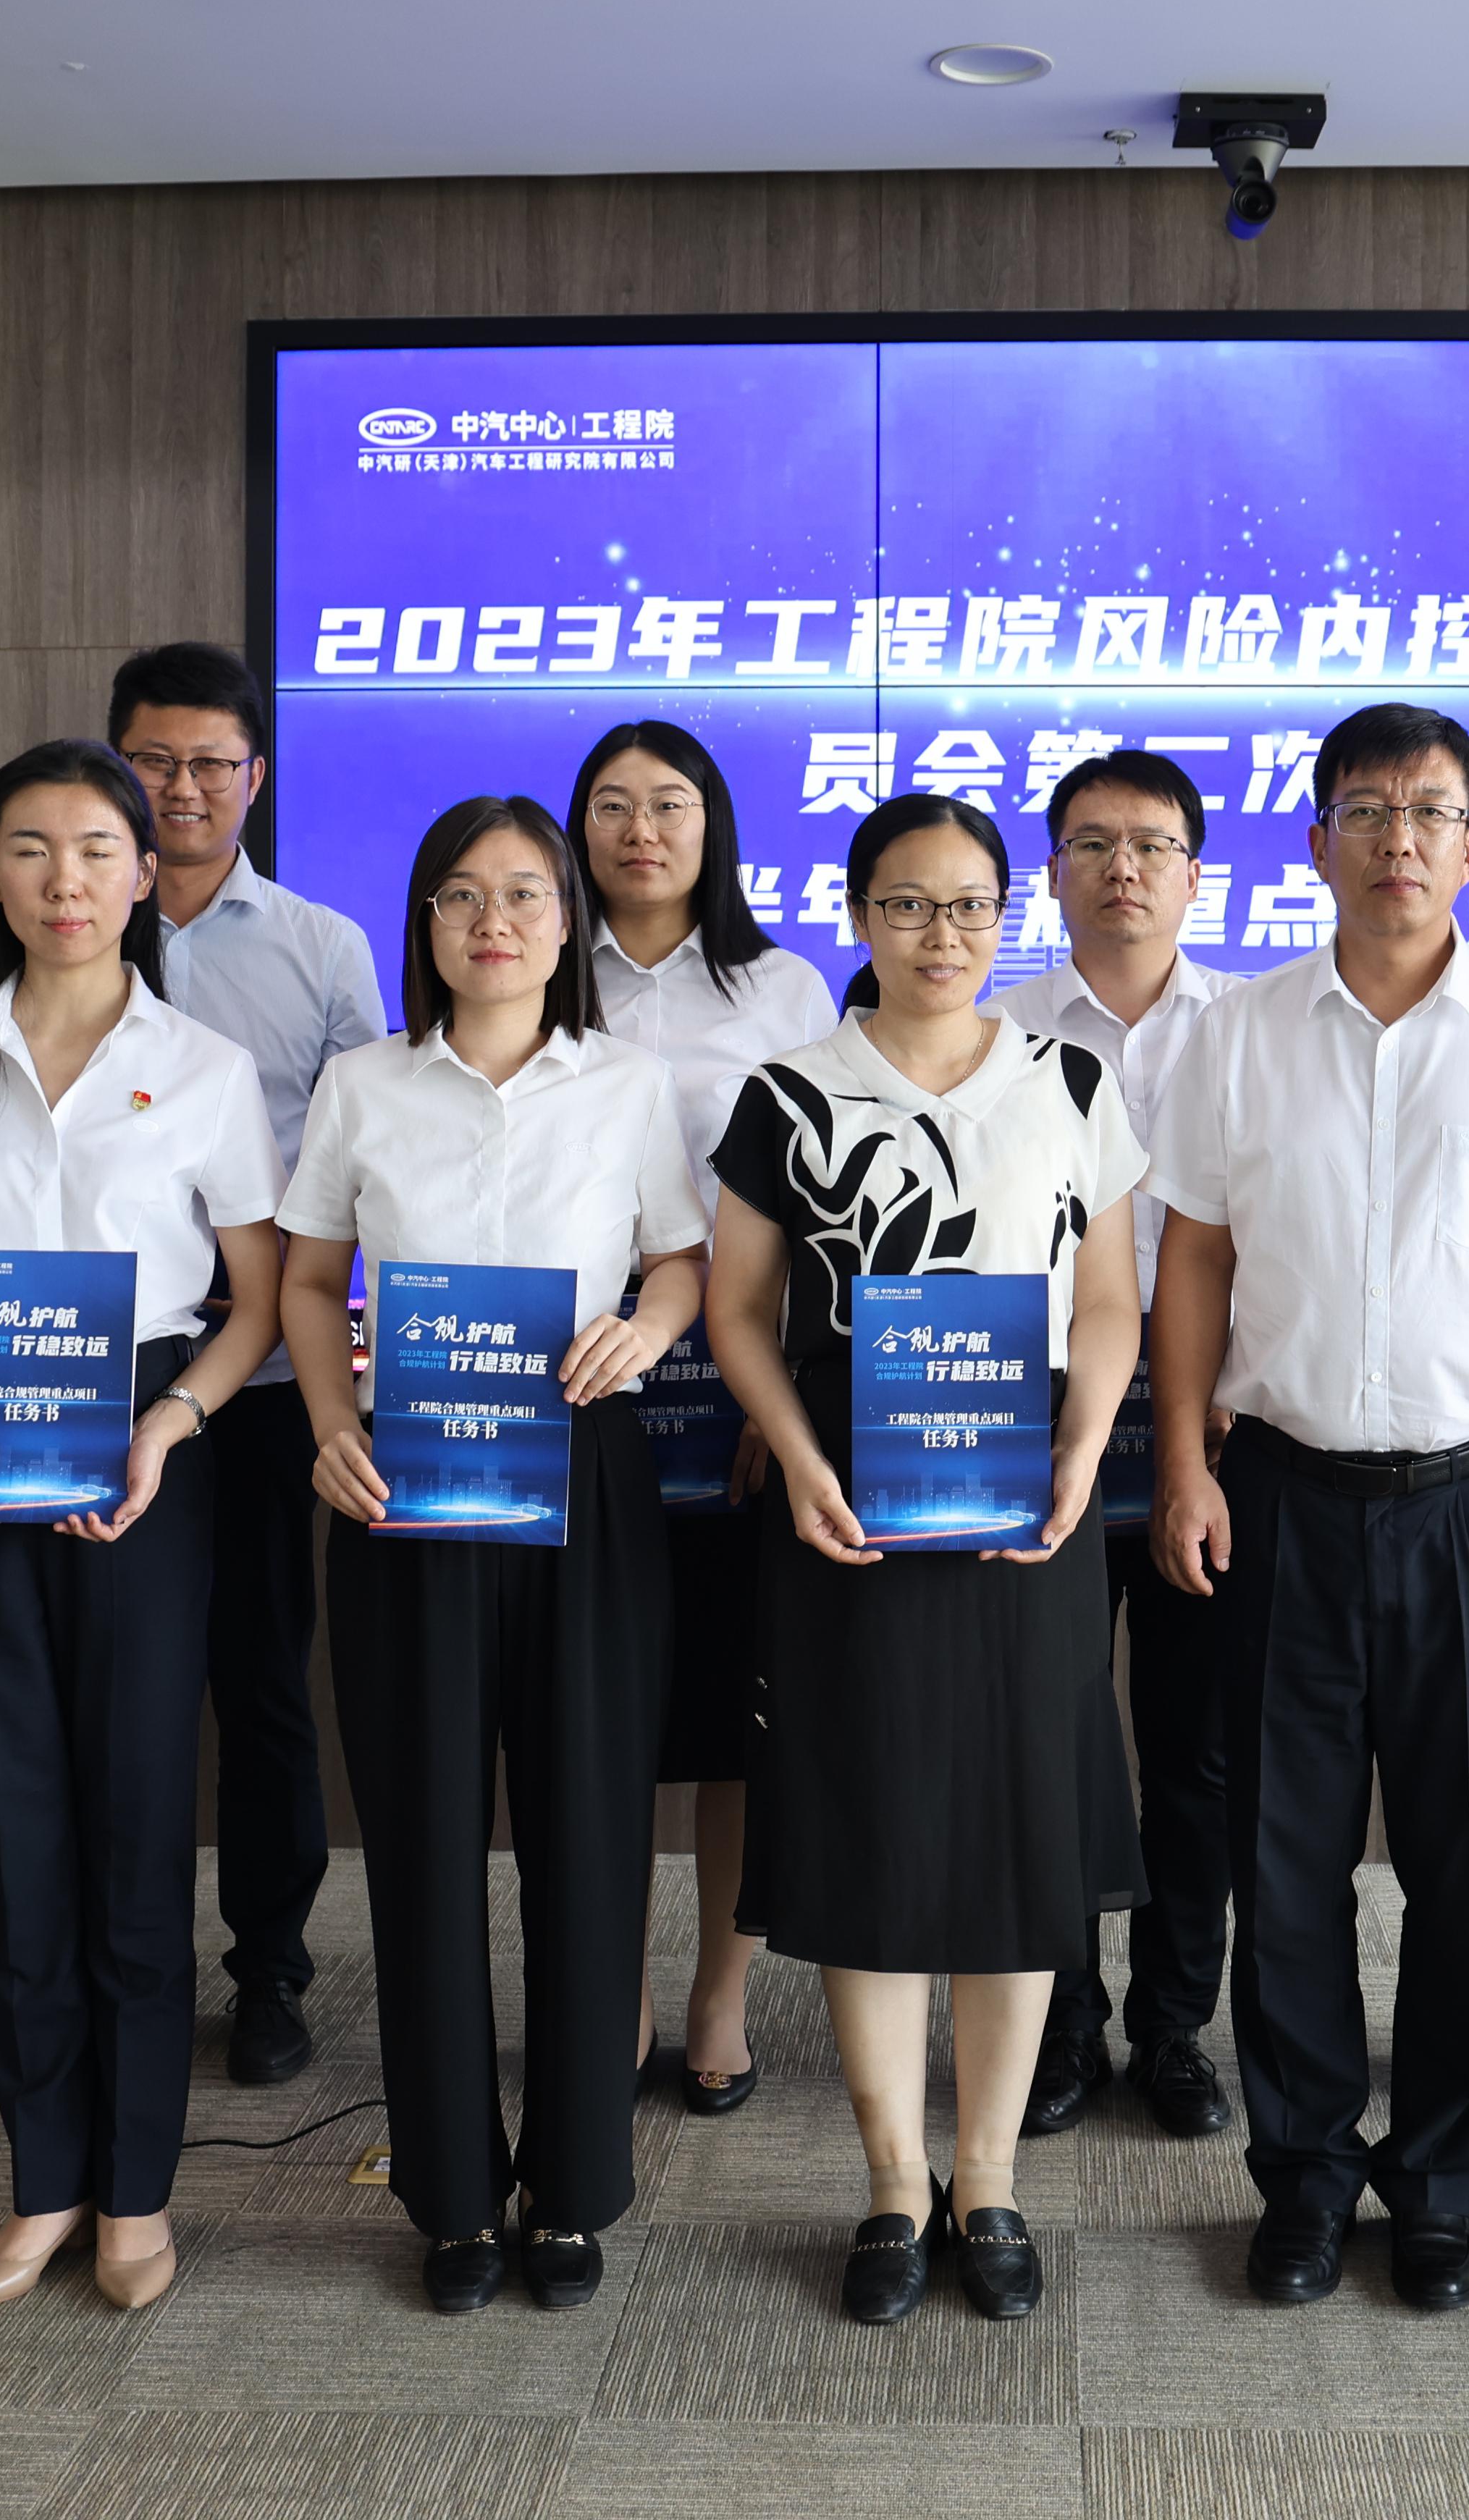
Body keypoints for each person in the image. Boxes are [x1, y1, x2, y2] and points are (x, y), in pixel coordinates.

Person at [1148, 702, 1469, 2316]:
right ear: (1316, 842)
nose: (1398, 839)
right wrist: (1182, 1460)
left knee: (1467, 1863)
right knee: (1284, 1858)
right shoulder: (1235, 1032)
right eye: (1366, 810)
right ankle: (1305, 2174)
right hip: (1281, 1493)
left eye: (1430, 811)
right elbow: (1194, 1261)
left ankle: (1438, 2181)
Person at [0, 741, 288, 2317]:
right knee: (23, 1832)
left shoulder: (206, 1065)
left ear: (144, 873)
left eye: (97, 848)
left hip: (145, 1454)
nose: (66, 879)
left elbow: (259, 1302)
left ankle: (137, 2193)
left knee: (138, 1827)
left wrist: (173, 1423)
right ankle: (43, 2181)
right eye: (31, 848)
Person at [704, 791, 1148, 2325]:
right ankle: (895, 2181)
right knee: (872, 1825)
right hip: (848, 1498)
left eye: (967, 906)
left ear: (1003, 917)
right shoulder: (791, 1091)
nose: (939, 934)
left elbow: (1109, 1299)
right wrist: (798, 1456)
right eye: (906, 903)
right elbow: (739, 1311)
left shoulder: (1069, 1080)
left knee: (1020, 1832)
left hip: (1029, 1498)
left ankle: (990, 2174)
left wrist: (1085, 1449)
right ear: (859, 914)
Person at [281, 795, 707, 2317]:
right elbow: (310, 1277)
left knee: (588, 1836)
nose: (494, 922)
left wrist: (646, 1330)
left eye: (525, 893)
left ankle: (574, 2185)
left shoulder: (627, 1081)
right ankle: (454, 2195)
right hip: (409, 1479)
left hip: (585, 1475)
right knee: (423, 1842)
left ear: (565, 918)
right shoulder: (364, 1083)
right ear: (427, 923)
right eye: (461, 895)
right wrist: (332, 1422)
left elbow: (680, 1257)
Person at [111, 641, 388, 2089]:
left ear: (256, 777)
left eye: (212, 763)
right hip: (102, 1371)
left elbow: (366, 1155)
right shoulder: (69, 928)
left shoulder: (323, 947)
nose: (184, 788)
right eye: (155, 761)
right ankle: (126, 1960)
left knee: (264, 1681)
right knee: (124, 1683)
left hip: (272, 1375)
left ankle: (269, 1967)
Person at [568, 717, 839, 2111]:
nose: (641, 831)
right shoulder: (536, 965)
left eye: (669, 804)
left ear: (713, 824)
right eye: (613, 806)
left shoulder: (783, 988)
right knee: (597, 1708)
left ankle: (718, 1997)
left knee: (741, 1715)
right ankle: (609, 1992)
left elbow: (817, 1205)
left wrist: (775, 1393)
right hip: (575, 1381)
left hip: (738, 1372)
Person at [988, 748, 1240, 2144]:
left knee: (1197, 1748)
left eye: (1151, 845)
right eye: (1092, 844)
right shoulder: (997, 1029)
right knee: (1054, 1735)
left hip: (1212, 1433)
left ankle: (1176, 2027)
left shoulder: (1254, 1026)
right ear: (1054, 873)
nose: (1122, 868)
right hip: (1042, 1431)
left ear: (1197, 874)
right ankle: (1063, 2023)